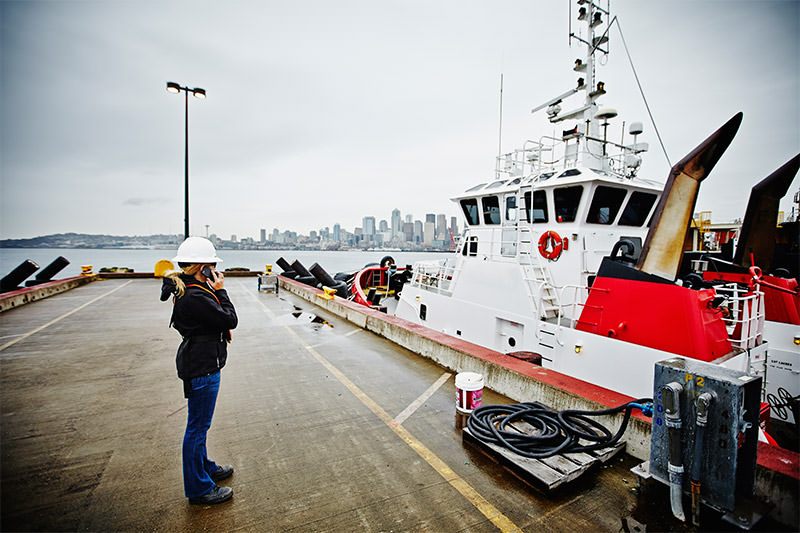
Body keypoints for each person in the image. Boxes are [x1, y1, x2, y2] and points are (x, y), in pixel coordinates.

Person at [162, 237, 238, 505]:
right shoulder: (196, 295)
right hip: (202, 366)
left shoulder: (189, 289)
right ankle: (199, 488)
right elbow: (230, 319)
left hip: (200, 361)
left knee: (199, 426)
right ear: (203, 267)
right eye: (212, 266)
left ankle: (205, 467)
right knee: (197, 428)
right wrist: (221, 290)